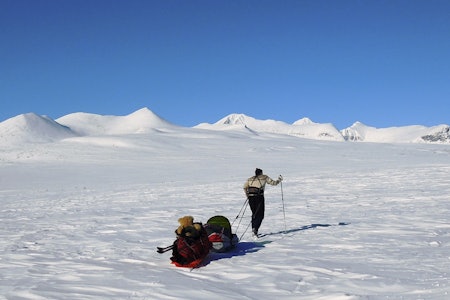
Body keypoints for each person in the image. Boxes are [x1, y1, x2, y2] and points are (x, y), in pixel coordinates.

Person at [243, 168, 283, 236]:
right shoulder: (264, 177)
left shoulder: (250, 179)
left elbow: (244, 187)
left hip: (251, 197)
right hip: (259, 197)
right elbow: (273, 183)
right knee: (260, 214)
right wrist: (279, 180)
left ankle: (253, 228)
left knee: (254, 213)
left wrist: (248, 196)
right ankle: (255, 229)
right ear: (261, 173)